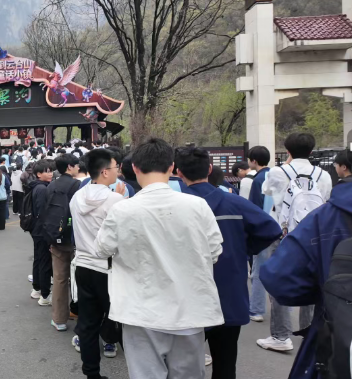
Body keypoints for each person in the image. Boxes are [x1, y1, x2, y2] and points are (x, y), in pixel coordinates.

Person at [94, 138, 224, 379]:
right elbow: (214, 251)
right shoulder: (198, 205)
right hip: (189, 309)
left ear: (134, 168)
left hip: (140, 311)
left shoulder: (122, 209)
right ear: (172, 167)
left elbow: (101, 249)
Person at [176, 147, 282, 379]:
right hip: (229, 294)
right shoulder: (234, 203)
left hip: (186, 298)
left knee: (182, 367)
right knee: (225, 364)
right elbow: (271, 229)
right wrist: (244, 250)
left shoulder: (174, 207)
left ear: (178, 172)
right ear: (210, 169)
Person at [260, 157, 351, 379]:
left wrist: (326, 294)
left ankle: (281, 335)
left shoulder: (326, 217)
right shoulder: (323, 178)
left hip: (339, 333)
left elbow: (278, 278)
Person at [257, 132, 333, 352]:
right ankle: (309, 332)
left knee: (279, 282)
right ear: (312, 150)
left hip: (284, 234)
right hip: (313, 236)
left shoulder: (277, 172)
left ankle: (281, 336)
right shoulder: (324, 175)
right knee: (312, 282)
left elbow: (266, 190)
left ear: (287, 151)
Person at [69, 149, 126, 379]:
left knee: (88, 324)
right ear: (104, 172)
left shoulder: (77, 197)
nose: (117, 171)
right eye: (115, 167)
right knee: (121, 321)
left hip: (83, 266)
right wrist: (122, 200)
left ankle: (92, 373)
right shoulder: (115, 200)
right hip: (108, 269)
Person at [46, 154, 81, 331]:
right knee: (79, 279)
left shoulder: (51, 186)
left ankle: (59, 319)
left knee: (60, 278)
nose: (78, 168)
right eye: (76, 165)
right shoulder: (78, 185)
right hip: (75, 237)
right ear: (69, 167)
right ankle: (79, 313)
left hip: (56, 236)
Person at [246, 145, 274, 323]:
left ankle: (256, 310)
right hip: (281, 229)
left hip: (263, 231)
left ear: (254, 161)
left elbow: (254, 210)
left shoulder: (258, 180)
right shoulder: (277, 175)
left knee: (258, 271)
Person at [29, 161, 54, 305]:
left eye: (51, 171)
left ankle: (37, 289)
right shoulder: (43, 189)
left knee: (39, 259)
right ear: (38, 174)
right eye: (47, 171)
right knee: (45, 261)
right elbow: (43, 211)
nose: (50, 173)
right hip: (42, 229)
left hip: (36, 229)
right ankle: (45, 295)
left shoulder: (36, 186)